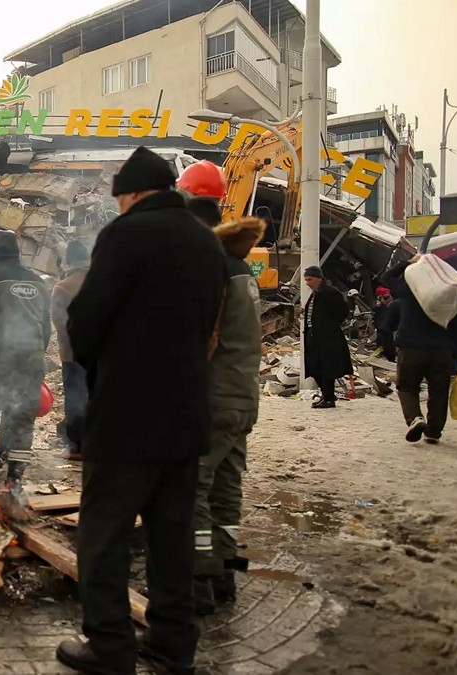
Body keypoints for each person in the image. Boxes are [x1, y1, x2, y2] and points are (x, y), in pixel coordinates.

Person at [58, 147, 226, 674]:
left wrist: (102, 367)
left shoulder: (123, 236)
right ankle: (174, 646)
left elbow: (84, 324)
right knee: (170, 539)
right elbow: (208, 332)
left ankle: (110, 647)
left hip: (127, 418)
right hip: (186, 416)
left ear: (130, 195)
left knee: (103, 537)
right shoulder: (205, 243)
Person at [193, 216, 266, 615]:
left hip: (214, 399)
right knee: (226, 488)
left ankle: (197, 579)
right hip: (243, 397)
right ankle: (224, 574)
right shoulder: (242, 271)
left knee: (193, 486)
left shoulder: (214, 271)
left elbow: (206, 338)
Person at [0, 231, 50, 488]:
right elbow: (46, 327)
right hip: (32, 358)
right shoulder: (38, 281)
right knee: (23, 416)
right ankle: (15, 477)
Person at [380, 257, 457, 443]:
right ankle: (433, 432)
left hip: (412, 349)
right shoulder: (447, 301)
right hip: (442, 352)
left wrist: (408, 262)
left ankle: (415, 418)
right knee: (439, 391)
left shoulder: (408, 293)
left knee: (407, 387)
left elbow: (386, 277)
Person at [50, 240, 90, 461]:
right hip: (99, 354)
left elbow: (60, 324)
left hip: (73, 354)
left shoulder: (63, 287)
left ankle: (76, 447)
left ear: (68, 260)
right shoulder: (100, 281)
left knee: (75, 399)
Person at [302, 266, 353, 409]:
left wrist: (328, 325)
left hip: (327, 337)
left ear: (319, 278)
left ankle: (329, 397)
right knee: (315, 366)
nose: (307, 283)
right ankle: (327, 395)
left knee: (326, 367)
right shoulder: (316, 293)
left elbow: (342, 311)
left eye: (310, 279)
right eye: (306, 280)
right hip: (314, 335)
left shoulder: (329, 292)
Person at [373, 286, 399, 362]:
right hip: (384, 331)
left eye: (388, 297)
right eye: (385, 298)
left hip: (393, 330)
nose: (388, 300)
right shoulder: (379, 308)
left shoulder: (394, 305)